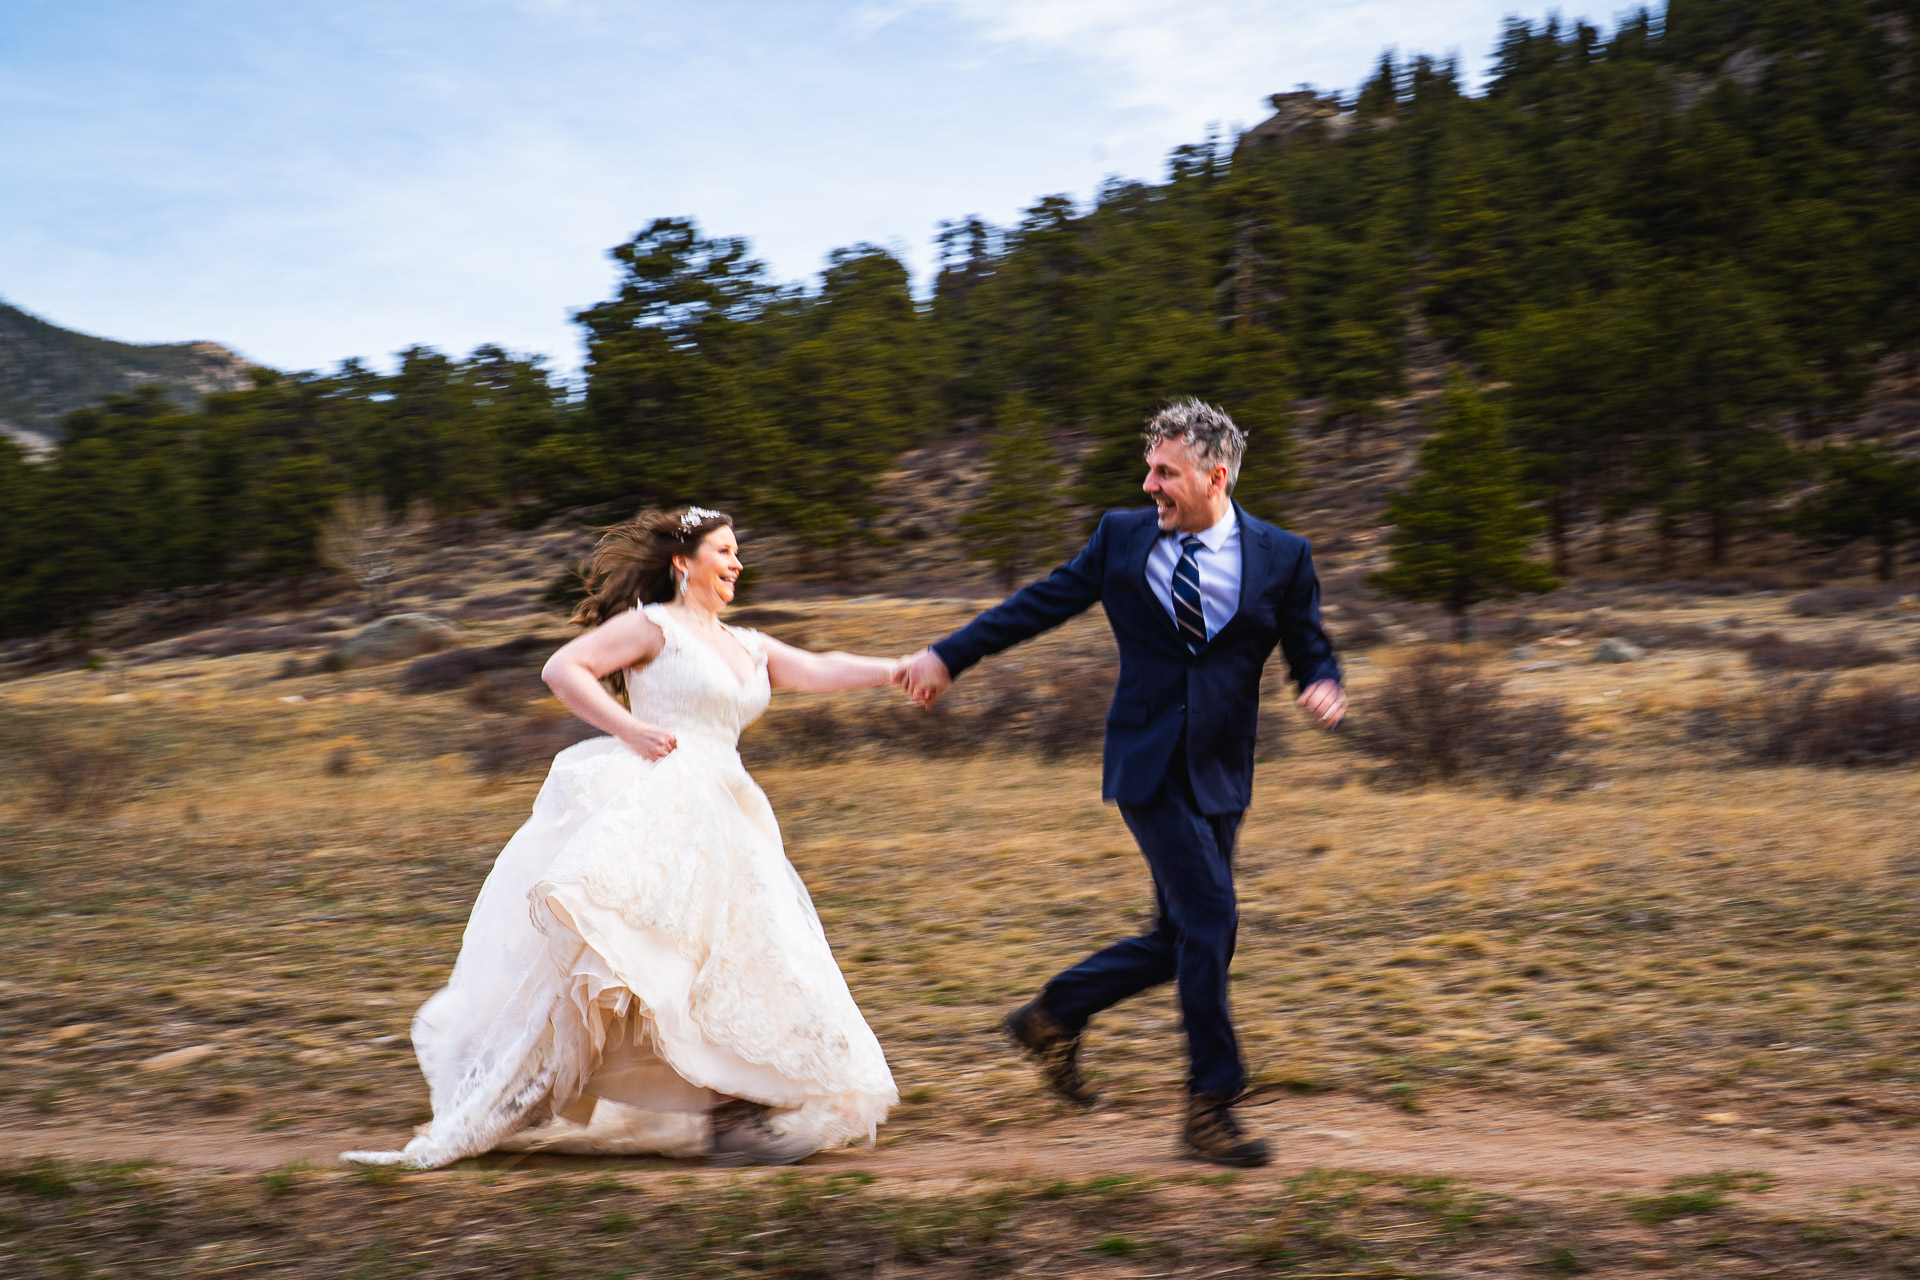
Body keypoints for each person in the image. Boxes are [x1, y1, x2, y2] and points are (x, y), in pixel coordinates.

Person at [344, 506, 899, 1169]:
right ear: (682, 563)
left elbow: (818, 668)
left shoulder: (747, 644)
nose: (736, 563)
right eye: (724, 551)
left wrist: (900, 668)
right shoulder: (651, 627)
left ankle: (735, 1108)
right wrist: (627, 729)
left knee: (745, 956)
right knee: (640, 960)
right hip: (659, 799)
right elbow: (564, 670)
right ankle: (540, 1092)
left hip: (727, 810)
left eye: (738, 552)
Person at [896, 400, 1345, 1168]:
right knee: (1211, 923)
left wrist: (1322, 682)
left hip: (1222, 772)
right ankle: (1211, 1104)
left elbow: (1308, 644)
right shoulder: (1121, 537)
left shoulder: (1283, 556)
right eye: (1149, 469)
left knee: (1180, 940)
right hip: (1146, 764)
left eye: (1165, 473)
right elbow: (1038, 604)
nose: (1149, 486)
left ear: (1217, 475)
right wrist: (949, 655)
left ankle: (1052, 1015)